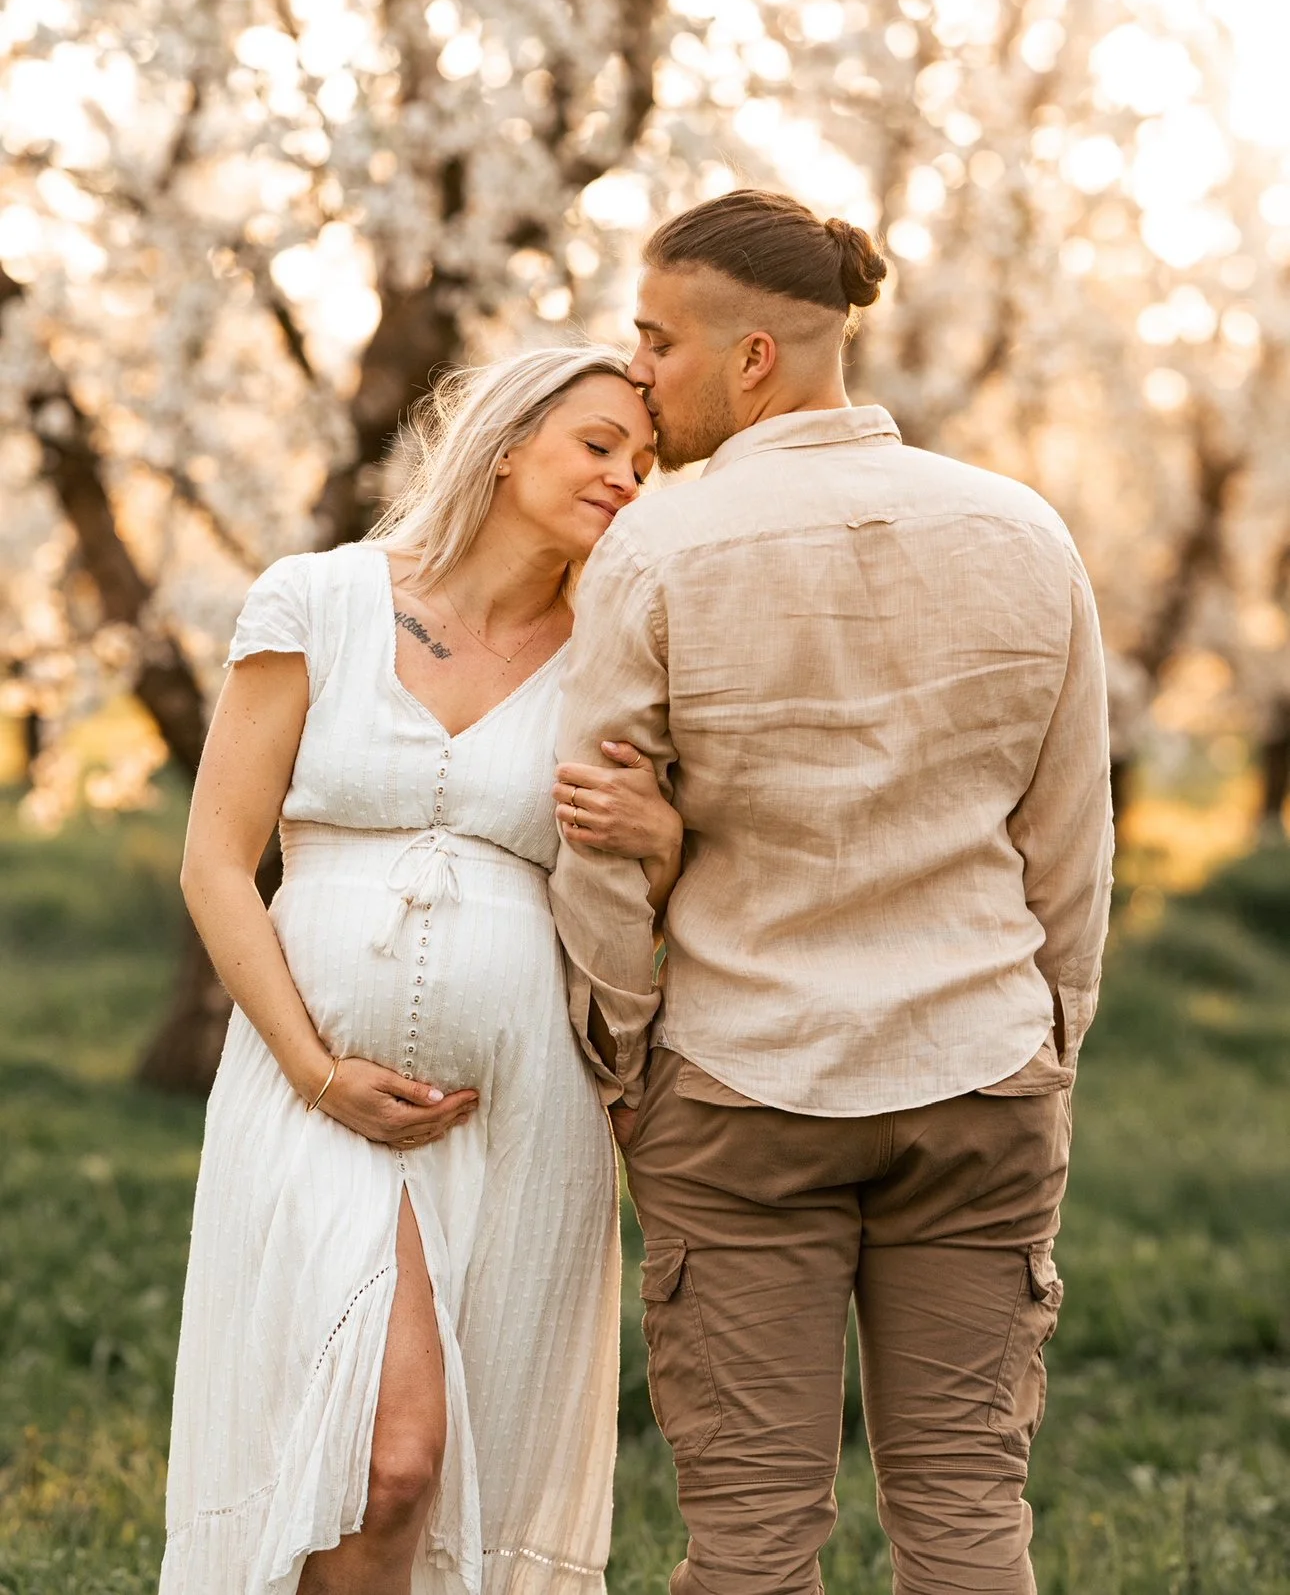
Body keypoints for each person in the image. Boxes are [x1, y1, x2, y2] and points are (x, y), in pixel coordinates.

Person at [549, 189, 1115, 1595]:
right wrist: (1049, 1038)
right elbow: (1069, 840)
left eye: (656, 341)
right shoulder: (1022, 531)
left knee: (747, 1547)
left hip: (742, 1082)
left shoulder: (657, 550)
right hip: (980, 1071)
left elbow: (604, 837)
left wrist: (623, 1057)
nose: (637, 376)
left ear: (752, 359)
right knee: (971, 1527)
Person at [160, 347, 682, 1595]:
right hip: (315, 1097)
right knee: (383, 1460)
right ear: (506, 443)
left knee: (445, 1480)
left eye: (644, 461)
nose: (624, 475)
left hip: (525, 1114)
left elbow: (647, 889)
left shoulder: (613, 656)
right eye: (597, 442)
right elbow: (218, 863)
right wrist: (317, 1069)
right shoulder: (321, 599)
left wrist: (660, 837)